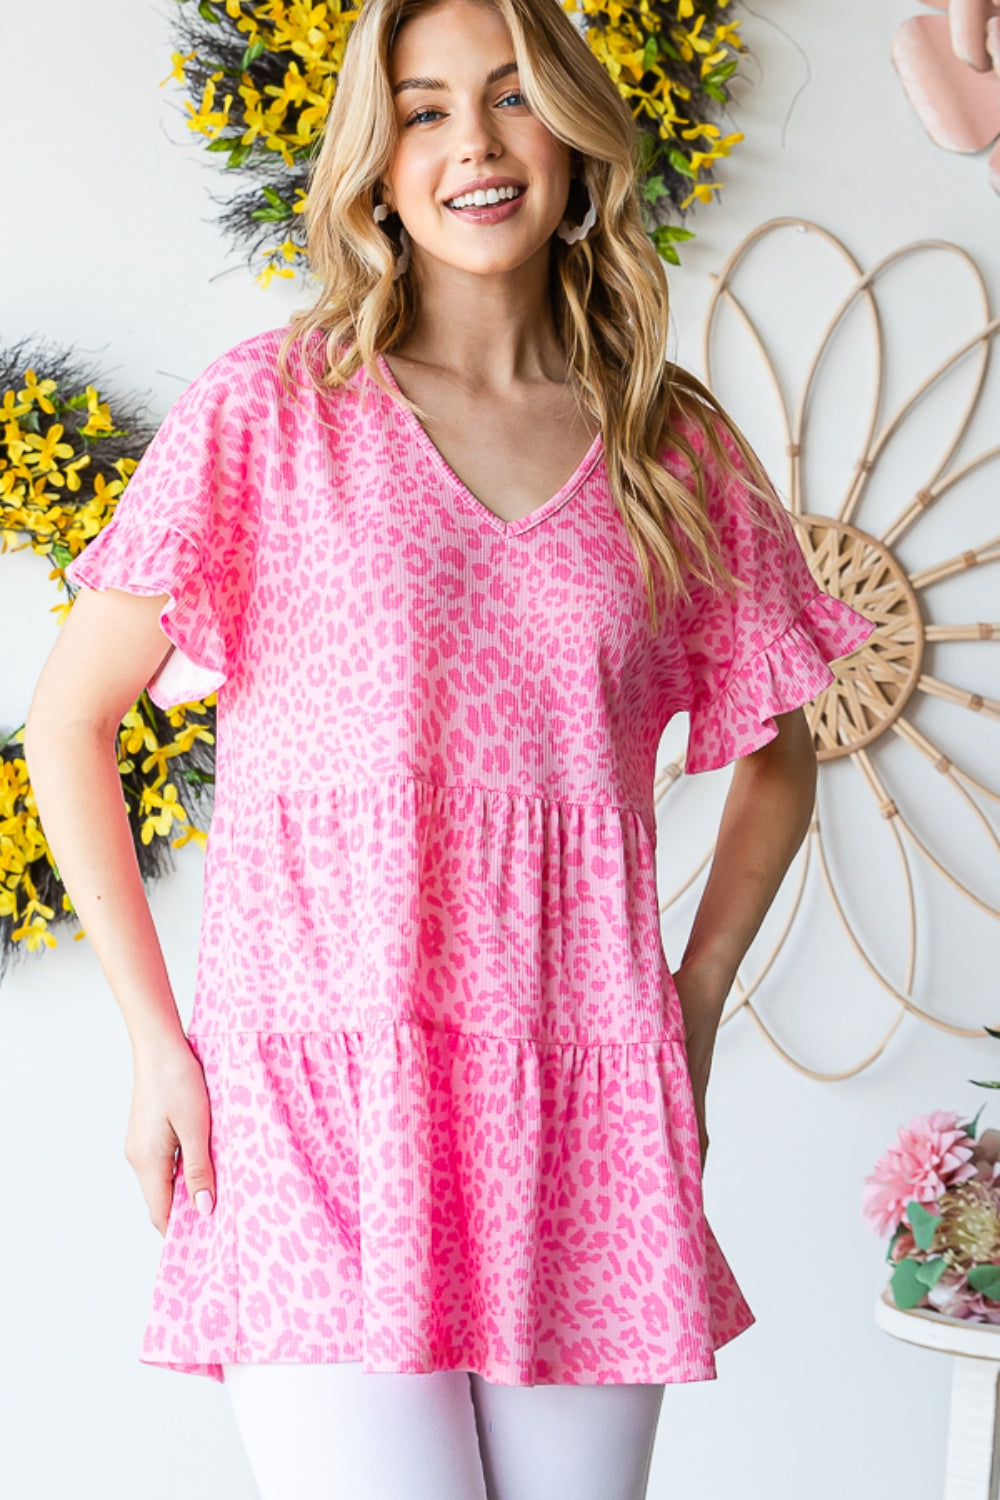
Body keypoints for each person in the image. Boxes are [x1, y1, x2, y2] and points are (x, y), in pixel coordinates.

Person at [23, 0, 877, 1495]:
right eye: (424, 109)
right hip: (313, 1106)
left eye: (511, 97)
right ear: (377, 155)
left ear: (577, 139)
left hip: (582, 1112)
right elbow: (70, 719)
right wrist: (158, 1046)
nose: (472, 144)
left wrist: (695, 996)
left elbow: (779, 746)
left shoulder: (672, 446)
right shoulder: (268, 414)